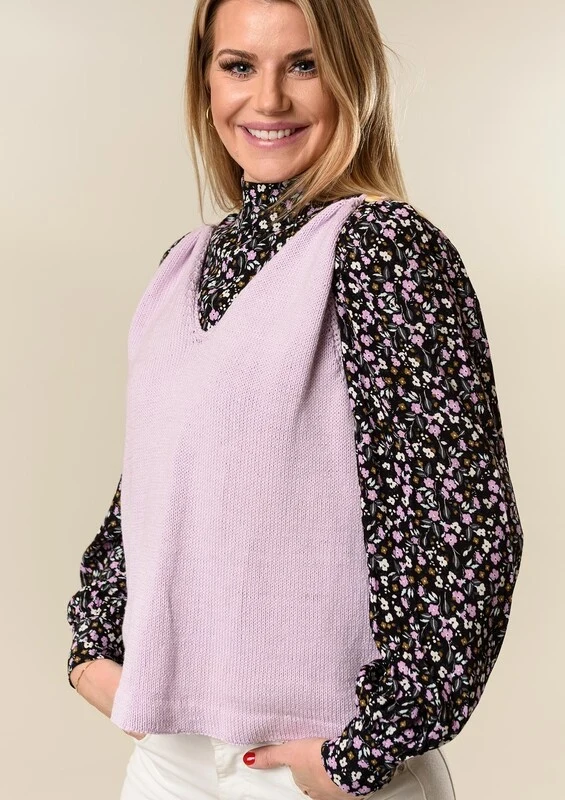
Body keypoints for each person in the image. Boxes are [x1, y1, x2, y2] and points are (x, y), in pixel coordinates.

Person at [65, 1, 524, 799]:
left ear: (351, 77)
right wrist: (92, 651)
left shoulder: (385, 251)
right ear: (205, 82)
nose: (268, 99)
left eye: (303, 65)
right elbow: (154, 490)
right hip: (170, 758)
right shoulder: (184, 263)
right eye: (238, 66)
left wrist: (365, 751)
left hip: (306, 765)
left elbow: (463, 525)